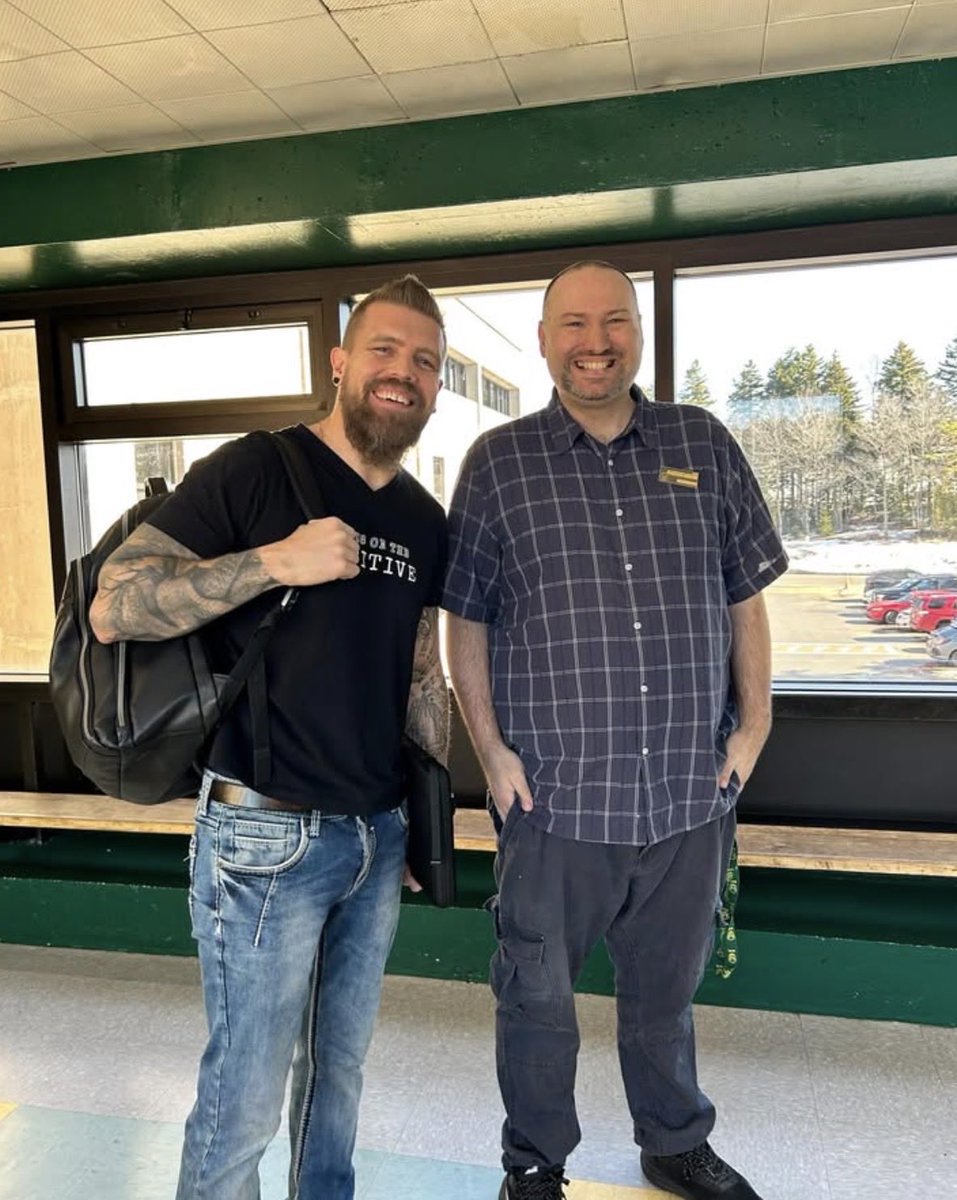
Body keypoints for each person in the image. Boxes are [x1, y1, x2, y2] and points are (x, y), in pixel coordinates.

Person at [89, 275, 450, 1200]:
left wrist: (419, 814)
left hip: (375, 839)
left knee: (339, 1081)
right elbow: (113, 607)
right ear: (339, 362)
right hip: (261, 833)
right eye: (384, 350)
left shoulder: (420, 518)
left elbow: (416, 670)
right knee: (244, 1097)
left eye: (424, 361)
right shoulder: (257, 468)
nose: (402, 373)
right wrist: (273, 562)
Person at [442, 261, 787, 1200]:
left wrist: (752, 726)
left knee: (664, 999)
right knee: (538, 1003)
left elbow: (743, 593)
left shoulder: (702, 443)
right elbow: (463, 617)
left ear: (637, 330)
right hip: (552, 796)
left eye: (613, 321)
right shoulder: (498, 464)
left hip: (686, 791)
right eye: (573, 324)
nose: (595, 341)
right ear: (544, 337)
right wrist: (491, 753)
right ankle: (534, 1163)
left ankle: (673, 1141)